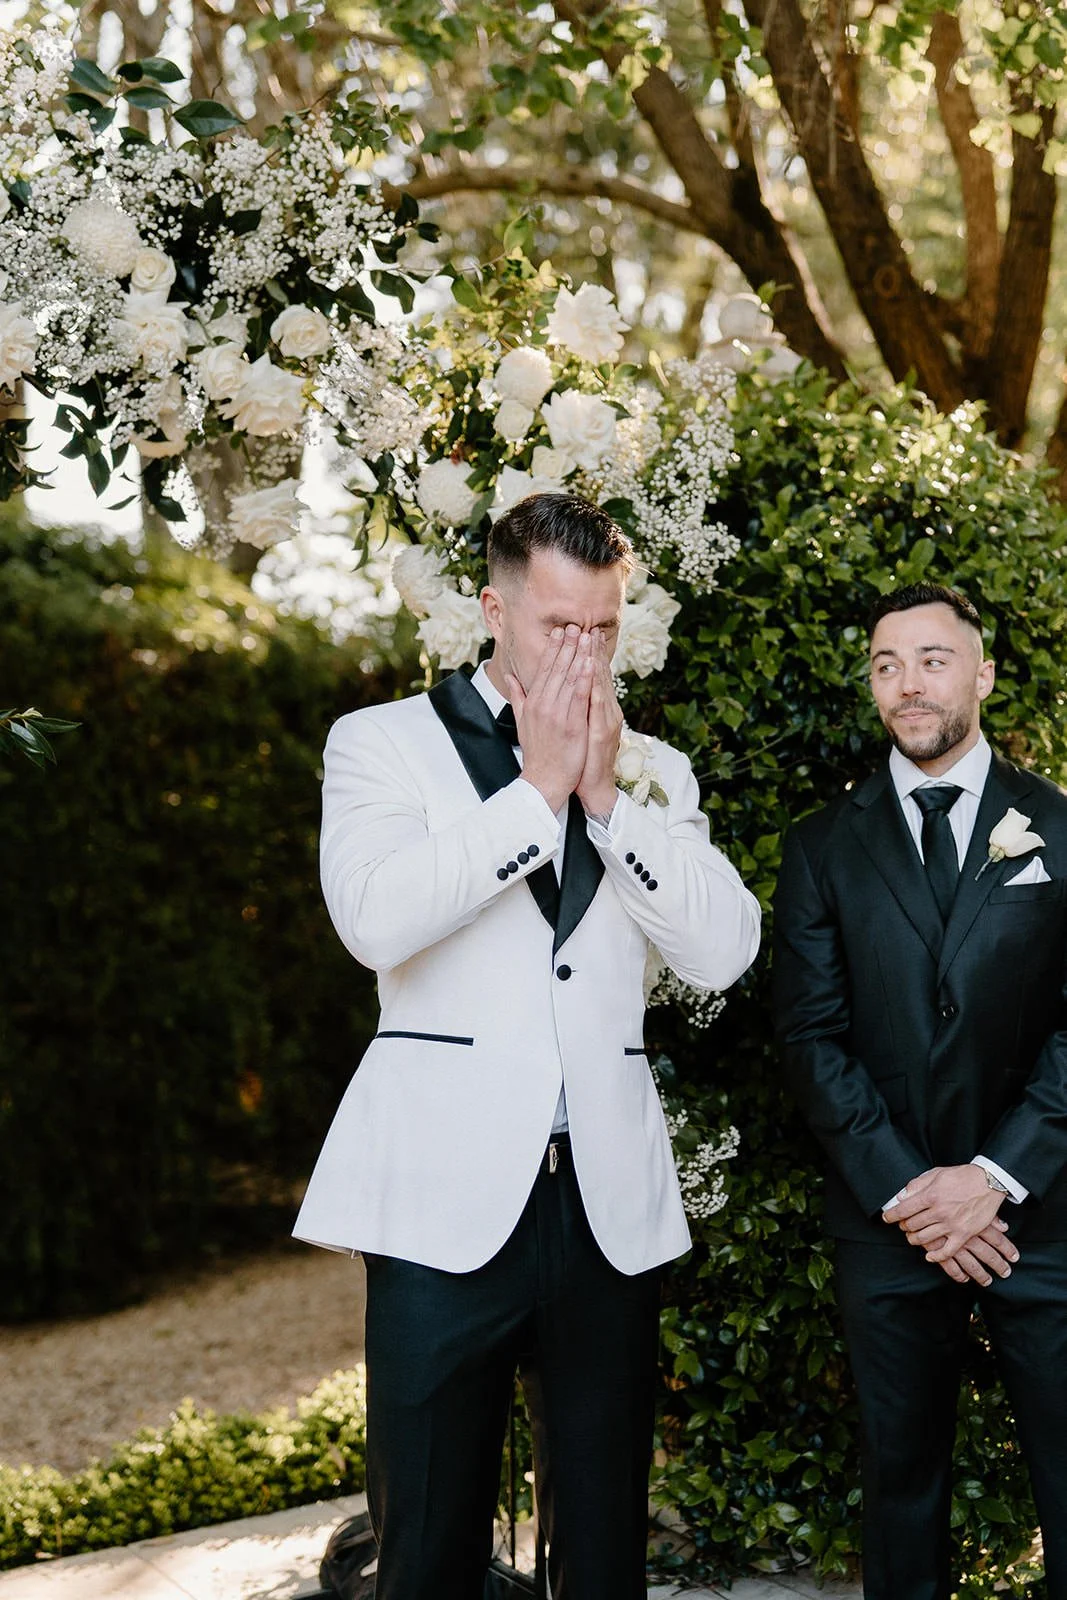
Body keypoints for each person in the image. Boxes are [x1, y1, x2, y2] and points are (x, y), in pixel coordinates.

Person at [294, 492, 761, 1600]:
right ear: (493, 609)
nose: (583, 652)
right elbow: (375, 919)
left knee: (602, 1544)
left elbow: (724, 949)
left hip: (601, 1201)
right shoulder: (381, 744)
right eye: (558, 626)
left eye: (601, 628)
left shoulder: (653, 771)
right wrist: (537, 788)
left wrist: (605, 800)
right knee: (428, 1542)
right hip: (437, 1201)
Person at [773, 581, 1067, 1600]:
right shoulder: (817, 846)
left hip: (1045, 1212)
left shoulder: (1057, 828)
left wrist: (992, 1174)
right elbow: (809, 1038)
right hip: (887, 1222)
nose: (906, 684)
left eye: (931, 658)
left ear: (980, 673)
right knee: (900, 1487)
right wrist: (914, 1193)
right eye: (884, 663)